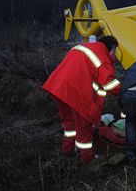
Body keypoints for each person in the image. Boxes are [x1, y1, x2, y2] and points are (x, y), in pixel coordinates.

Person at [42, 35, 121, 165]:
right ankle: (87, 160)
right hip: (76, 92)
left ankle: (66, 151)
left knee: (69, 124)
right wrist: (125, 91)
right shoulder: (102, 55)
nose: (115, 54)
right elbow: (109, 83)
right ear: (110, 47)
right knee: (84, 127)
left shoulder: (84, 47)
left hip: (59, 87)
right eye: (115, 51)